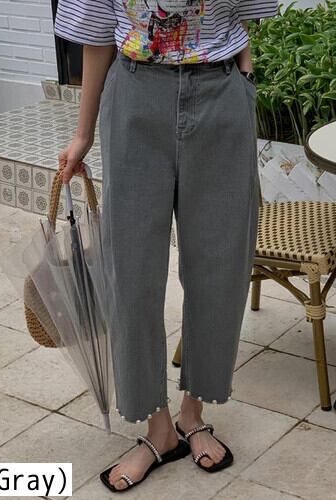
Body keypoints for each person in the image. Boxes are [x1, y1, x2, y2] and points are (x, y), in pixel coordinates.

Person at [54, 0, 278, 492]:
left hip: (221, 94)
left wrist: (244, 74)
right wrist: (83, 133)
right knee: (131, 273)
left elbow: (242, 14)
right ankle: (158, 428)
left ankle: (192, 414)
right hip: (136, 94)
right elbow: (98, 34)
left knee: (219, 268)